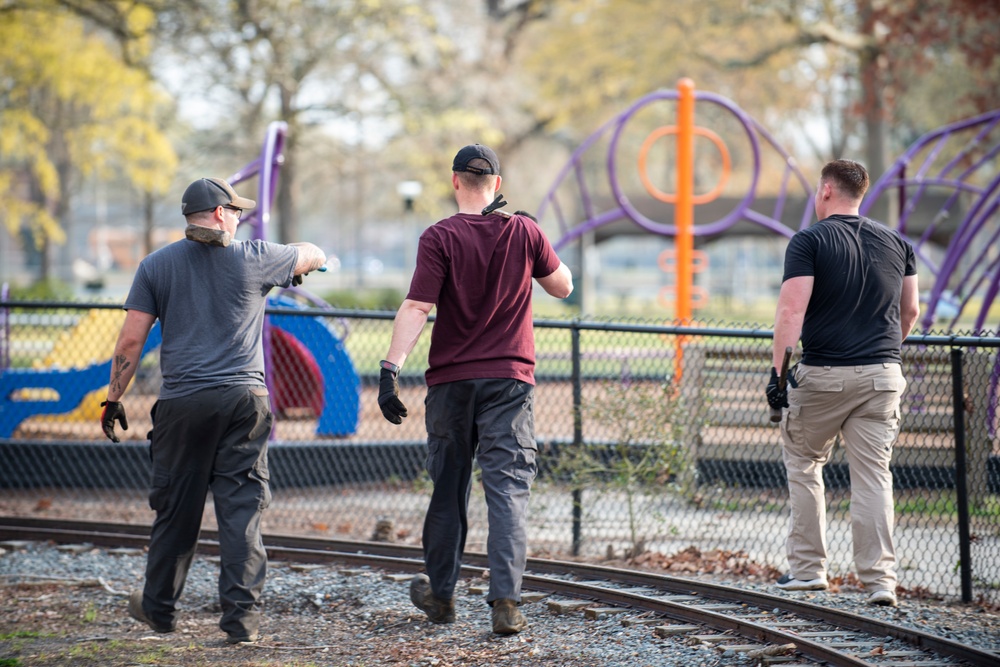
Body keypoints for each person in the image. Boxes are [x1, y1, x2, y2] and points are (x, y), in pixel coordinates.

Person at [100, 176, 326, 643]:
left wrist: (114, 398)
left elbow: (130, 340)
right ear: (221, 214)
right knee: (241, 511)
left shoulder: (155, 266)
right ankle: (241, 624)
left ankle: (159, 610)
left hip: (182, 403)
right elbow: (313, 252)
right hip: (245, 401)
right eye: (237, 211)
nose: (241, 217)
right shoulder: (257, 257)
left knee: (176, 510)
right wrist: (302, 256)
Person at [377, 144, 573, 635]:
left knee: (449, 487)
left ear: (454, 181)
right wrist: (535, 239)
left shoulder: (439, 236)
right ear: (498, 186)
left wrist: (390, 369)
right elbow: (563, 286)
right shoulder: (524, 231)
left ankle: (441, 598)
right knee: (507, 486)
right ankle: (506, 603)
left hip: (450, 384)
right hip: (509, 381)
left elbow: (417, 307)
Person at [767, 159, 919, 607]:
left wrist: (777, 377)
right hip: (883, 377)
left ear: (827, 191)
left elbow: (790, 314)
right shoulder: (898, 243)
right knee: (873, 476)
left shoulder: (809, 241)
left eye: (818, 190)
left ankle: (810, 571)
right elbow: (909, 312)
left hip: (824, 377)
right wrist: (883, 354)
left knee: (805, 463)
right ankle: (880, 583)